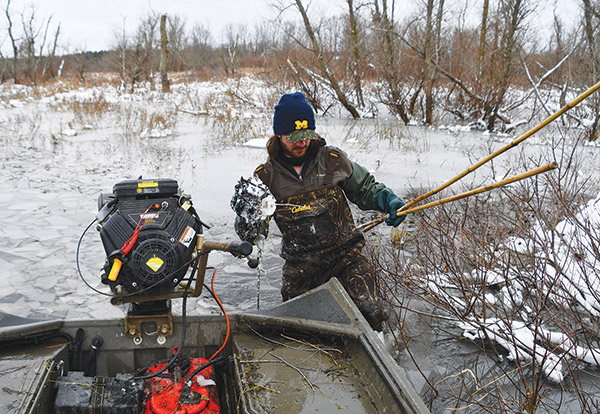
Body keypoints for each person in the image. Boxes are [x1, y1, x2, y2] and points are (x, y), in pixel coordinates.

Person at [236, 92, 407, 331]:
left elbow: (365, 188)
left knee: (373, 314)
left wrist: (387, 200)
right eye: (294, 137)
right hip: (302, 268)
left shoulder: (332, 160)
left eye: (307, 135)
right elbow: (252, 234)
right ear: (279, 135)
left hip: (346, 259)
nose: (302, 143)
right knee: (303, 332)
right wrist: (248, 217)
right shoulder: (265, 178)